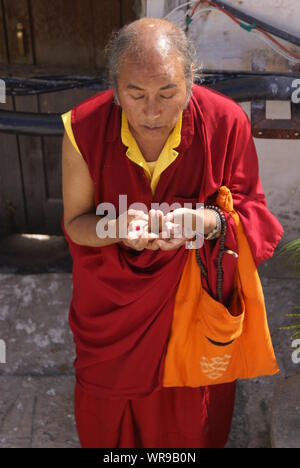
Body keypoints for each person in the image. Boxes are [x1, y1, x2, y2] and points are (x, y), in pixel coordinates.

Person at [60, 17, 284, 448]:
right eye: (135, 94)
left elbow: (253, 213)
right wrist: (117, 228)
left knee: (190, 430)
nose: (152, 111)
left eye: (167, 92)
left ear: (191, 80)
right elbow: (75, 225)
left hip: (193, 310)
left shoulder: (226, 122)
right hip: (113, 316)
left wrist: (207, 222)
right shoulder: (83, 130)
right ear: (115, 88)